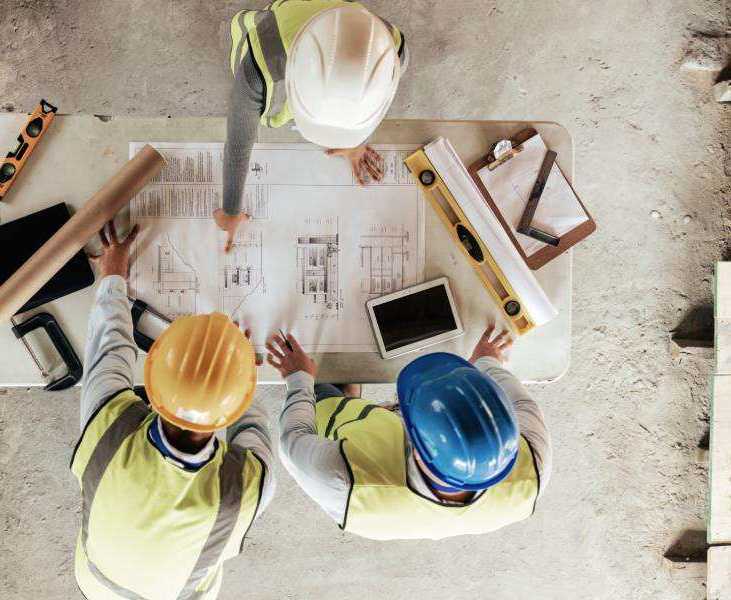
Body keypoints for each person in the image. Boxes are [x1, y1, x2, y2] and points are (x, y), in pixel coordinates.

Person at [71, 220, 276, 599]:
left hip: (98, 579)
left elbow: (110, 343)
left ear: (153, 379)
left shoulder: (109, 424)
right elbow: (250, 422)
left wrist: (113, 273)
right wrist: (237, 363)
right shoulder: (244, 488)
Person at [266, 326, 551, 540]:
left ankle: (345, 399)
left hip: (353, 443)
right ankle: (351, 395)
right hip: (386, 445)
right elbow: (523, 404)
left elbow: (293, 440)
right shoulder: (534, 464)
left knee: (325, 394)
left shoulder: (345, 480)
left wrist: (299, 378)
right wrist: (487, 363)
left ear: (412, 440)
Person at [216, 0, 409, 252]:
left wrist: (353, 142)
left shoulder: (391, 51)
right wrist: (230, 209)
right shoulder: (260, 63)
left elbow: (364, 94)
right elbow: (239, 141)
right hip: (286, 18)